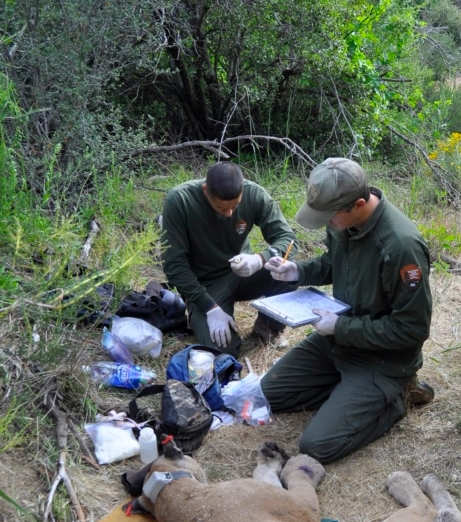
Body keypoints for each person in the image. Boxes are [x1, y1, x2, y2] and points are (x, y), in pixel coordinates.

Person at [260, 157, 434, 465]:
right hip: (338, 341)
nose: (327, 223)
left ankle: (398, 397)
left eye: (330, 216)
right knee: (270, 393)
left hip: (382, 359)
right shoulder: (344, 224)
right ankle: (348, 392)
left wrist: (340, 328)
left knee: (317, 446)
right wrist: (297, 271)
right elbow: (335, 263)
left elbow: (412, 329)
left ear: (359, 203)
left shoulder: (400, 246)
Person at [161, 161, 298, 357]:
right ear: (206, 190)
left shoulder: (254, 194)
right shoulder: (180, 200)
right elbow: (174, 266)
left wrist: (259, 259)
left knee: (289, 271)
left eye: (235, 206)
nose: (229, 213)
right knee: (223, 350)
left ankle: (268, 328)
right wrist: (209, 307)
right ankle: (203, 314)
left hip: (243, 271)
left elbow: (289, 239)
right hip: (206, 285)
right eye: (221, 207)